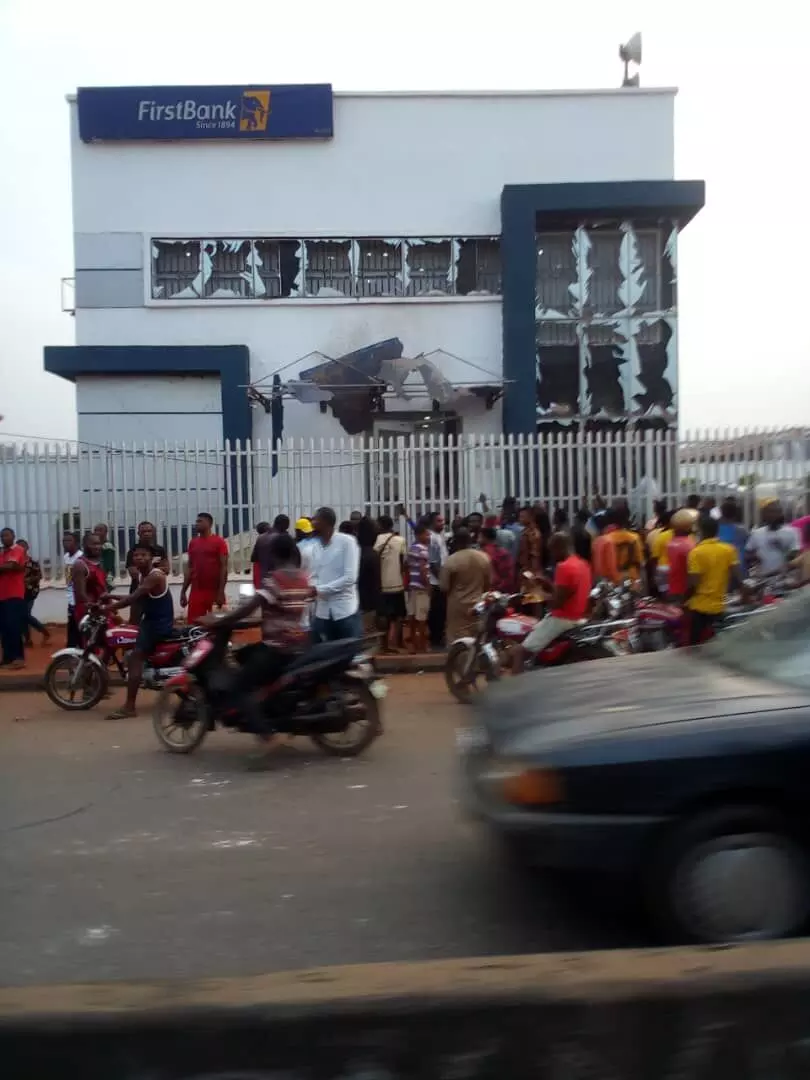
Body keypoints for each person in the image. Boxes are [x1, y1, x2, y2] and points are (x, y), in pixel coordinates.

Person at [198, 532, 314, 760]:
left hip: (277, 648)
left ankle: (267, 736)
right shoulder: (302, 578)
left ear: (273, 554)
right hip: (298, 643)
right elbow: (283, 608)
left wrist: (221, 621)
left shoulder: (275, 579)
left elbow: (250, 607)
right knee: (243, 656)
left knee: (238, 686)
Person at [103, 542, 176, 718]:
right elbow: (135, 597)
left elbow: (133, 598)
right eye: (136, 555)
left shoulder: (155, 576)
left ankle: (129, 707)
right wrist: (110, 596)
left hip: (157, 625)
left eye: (144, 555)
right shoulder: (144, 576)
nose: (139, 558)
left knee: (136, 658)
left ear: (151, 558)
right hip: (150, 622)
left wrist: (106, 608)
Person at [511, 532, 592, 675]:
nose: (552, 555)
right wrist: (547, 583)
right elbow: (567, 592)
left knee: (519, 651)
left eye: (552, 550)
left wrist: (539, 595)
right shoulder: (583, 564)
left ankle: (515, 685)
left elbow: (556, 603)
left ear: (559, 547)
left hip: (561, 619)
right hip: (579, 617)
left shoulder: (564, 567)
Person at [686, 515, 741, 645]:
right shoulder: (729, 549)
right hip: (720, 606)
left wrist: (685, 599)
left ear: (701, 531)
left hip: (700, 606)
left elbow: (694, 583)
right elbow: (737, 576)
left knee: (695, 645)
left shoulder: (696, 553)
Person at [310, 506, 361, 642]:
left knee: (348, 652)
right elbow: (314, 574)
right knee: (323, 652)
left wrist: (318, 590)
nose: (312, 523)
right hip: (322, 612)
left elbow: (350, 578)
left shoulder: (347, 542)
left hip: (345, 612)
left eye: (315, 520)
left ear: (325, 522)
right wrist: (312, 587)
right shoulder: (315, 546)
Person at [440, 526, 492, 644]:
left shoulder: (451, 560)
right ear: (470, 540)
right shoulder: (484, 557)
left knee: (457, 641)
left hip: (457, 607)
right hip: (478, 605)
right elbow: (488, 583)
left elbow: (444, 587)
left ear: (455, 541)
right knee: (478, 640)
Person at [180, 513, 229, 621]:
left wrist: (221, 592)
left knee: (218, 623)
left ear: (209, 524)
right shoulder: (193, 543)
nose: (196, 524)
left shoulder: (219, 542)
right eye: (196, 521)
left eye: (200, 521)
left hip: (214, 591)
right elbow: (190, 568)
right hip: (196, 591)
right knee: (195, 623)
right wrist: (183, 591)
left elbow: (224, 567)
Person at [374, 514, 407, 652]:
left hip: (382, 585)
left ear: (380, 526)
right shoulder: (400, 540)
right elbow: (402, 563)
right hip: (397, 583)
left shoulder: (375, 540)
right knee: (399, 615)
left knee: (383, 616)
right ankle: (398, 643)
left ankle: (384, 645)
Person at [125, 522, 168, 624]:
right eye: (143, 531)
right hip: (137, 591)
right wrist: (156, 570)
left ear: (154, 532)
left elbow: (166, 569)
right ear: (138, 533)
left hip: (156, 593)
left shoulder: (160, 550)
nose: (146, 533)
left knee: (155, 621)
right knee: (134, 622)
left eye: (149, 531)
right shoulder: (133, 551)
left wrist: (147, 569)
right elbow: (134, 574)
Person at [746, 500, 800, 576]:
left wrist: (782, 549)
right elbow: (748, 553)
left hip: (785, 577)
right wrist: (755, 557)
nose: (773, 515)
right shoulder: (756, 533)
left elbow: (796, 554)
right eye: (769, 512)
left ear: (781, 514)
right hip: (763, 576)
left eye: (776, 512)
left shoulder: (792, 532)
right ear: (764, 515)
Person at [0, 527, 27, 668]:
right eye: (2, 536)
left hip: (14, 594)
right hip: (2, 595)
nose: (4, 538)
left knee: (14, 626)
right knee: (4, 628)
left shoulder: (18, 550)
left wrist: (4, 567)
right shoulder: (2, 552)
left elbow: (11, 566)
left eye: (7, 535)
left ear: (13, 536)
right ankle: (7, 658)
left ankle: (18, 657)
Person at [72, 532, 109, 628]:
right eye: (94, 544)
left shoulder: (100, 563)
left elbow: (103, 587)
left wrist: (109, 604)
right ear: (84, 545)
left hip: (102, 608)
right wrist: (95, 607)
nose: (98, 547)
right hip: (88, 611)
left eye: (99, 544)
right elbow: (80, 594)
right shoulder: (80, 565)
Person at [405, 522, 431, 653]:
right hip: (421, 587)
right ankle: (422, 645)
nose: (429, 536)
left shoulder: (412, 548)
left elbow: (406, 565)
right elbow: (423, 569)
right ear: (419, 535)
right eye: (427, 534)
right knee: (422, 618)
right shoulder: (423, 549)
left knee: (412, 615)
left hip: (413, 586)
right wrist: (428, 586)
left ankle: (413, 644)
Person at [18, 540, 49, 646]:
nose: (21, 549)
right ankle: (27, 639)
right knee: (22, 616)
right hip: (17, 593)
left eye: (23, 546)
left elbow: (39, 576)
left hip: (30, 592)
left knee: (25, 615)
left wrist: (27, 580)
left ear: (27, 548)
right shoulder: (15, 563)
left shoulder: (33, 563)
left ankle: (43, 631)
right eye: (18, 547)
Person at [606, 504, 644, 585]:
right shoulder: (634, 538)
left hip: (613, 580)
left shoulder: (607, 539)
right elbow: (639, 562)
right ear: (627, 518)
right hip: (631, 579)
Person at [426, 511, 449, 648]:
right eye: (439, 521)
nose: (442, 523)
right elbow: (433, 562)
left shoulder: (438, 536)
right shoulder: (432, 538)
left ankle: (437, 637)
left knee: (440, 611)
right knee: (437, 611)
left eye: (443, 521)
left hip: (439, 579)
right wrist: (442, 580)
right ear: (432, 523)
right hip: (435, 581)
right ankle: (436, 639)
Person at [355, 516, 381, 635]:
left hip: (352, 604)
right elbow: (376, 584)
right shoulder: (372, 555)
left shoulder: (354, 551)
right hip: (368, 606)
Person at [666, 509, 697, 605]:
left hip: (672, 586)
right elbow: (691, 571)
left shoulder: (670, 543)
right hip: (684, 589)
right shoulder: (690, 544)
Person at [480, 525, 515, 593]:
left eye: (479, 537)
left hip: (490, 591)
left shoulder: (483, 553)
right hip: (504, 590)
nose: (478, 540)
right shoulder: (504, 552)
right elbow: (509, 575)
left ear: (484, 538)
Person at [63, 530, 83, 647]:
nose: (65, 543)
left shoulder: (80, 557)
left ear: (76, 543)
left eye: (69, 540)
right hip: (70, 595)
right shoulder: (66, 557)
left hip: (78, 596)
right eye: (64, 541)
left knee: (78, 623)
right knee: (71, 623)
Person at [717, 498, 748, 567]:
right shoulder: (742, 531)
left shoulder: (715, 530)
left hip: (720, 566)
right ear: (735, 514)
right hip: (739, 566)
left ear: (721, 512)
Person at [591, 510, 619, 583]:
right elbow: (611, 565)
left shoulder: (595, 541)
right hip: (609, 580)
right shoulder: (608, 542)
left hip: (598, 579)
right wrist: (617, 580)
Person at [516, 505, 543, 578]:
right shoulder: (525, 531)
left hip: (530, 570)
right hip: (524, 568)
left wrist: (532, 575)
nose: (520, 519)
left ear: (531, 517)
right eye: (520, 516)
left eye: (522, 517)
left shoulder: (534, 534)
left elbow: (535, 556)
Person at [94, 523, 117, 588]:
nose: (97, 532)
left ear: (106, 532)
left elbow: (109, 564)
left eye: (100, 530)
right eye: (95, 530)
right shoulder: (97, 545)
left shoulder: (107, 546)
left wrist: (108, 578)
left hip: (105, 576)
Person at [251, 522, 272, 588]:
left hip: (259, 567)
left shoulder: (260, 539)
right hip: (262, 568)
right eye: (269, 527)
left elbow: (253, 558)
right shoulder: (265, 540)